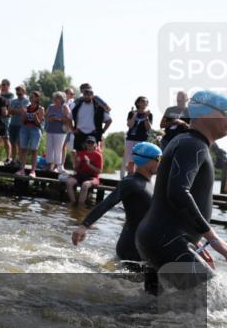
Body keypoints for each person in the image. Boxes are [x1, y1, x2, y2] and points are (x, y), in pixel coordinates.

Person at [136, 90, 227, 291]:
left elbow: (171, 201)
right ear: (206, 114)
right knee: (214, 298)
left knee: (150, 312)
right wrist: (214, 239)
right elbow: (178, 191)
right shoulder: (193, 145)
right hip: (168, 241)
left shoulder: (186, 141)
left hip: (162, 238)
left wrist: (197, 240)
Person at [73, 142, 161, 265]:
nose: (160, 162)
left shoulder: (150, 184)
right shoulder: (131, 182)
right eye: (158, 158)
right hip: (131, 248)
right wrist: (84, 226)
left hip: (144, 247)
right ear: (146, 160)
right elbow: (107, 203)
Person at [65, 136, 104, 206]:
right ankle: (73, 202)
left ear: (95, 144)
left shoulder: (98, 155)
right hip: (80, 175)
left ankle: (80, 205)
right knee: (68, 182)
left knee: (85, 185)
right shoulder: (81, 153)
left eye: (92, 143)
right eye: (88, 142)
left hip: (93, 177)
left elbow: (99, 171)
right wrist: (75, 160)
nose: (90, 144)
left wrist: (89, 164)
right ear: (85, 144)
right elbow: (75, 169)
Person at [15, 90, 45, 177]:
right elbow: (22, 121)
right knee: (23, 149)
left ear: (37, 98)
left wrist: (35, 116)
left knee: (34, 150)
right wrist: (24, 114)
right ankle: (22, 170)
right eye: (30, 96)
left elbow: (38, 123)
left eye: (33, 96)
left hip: (35, 130)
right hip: (24, 129)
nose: (31, 97)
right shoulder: (26, 107)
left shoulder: (41, 109)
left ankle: (33, 171)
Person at [123, 96, 153, 177]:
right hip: (130, 139)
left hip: (142, 140)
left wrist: (146, 117)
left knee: (140, 160)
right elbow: (130, 125)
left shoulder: (149, 114)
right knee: (131, 160)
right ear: (138, 103)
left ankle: (138, 177)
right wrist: (134, 115)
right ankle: (129, 177)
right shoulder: (131, 113)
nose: (145, 103)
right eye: (143, 101)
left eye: (146, 102)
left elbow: (148, 128)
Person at [44, 91, 72, 172]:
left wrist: (58, 119)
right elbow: (45, 116)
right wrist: (49, 118)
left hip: (60, 132)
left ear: (62, 99)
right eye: (55, 98)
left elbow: (69, 119)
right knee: (49, 148)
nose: (56, 99)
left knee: (58, 149)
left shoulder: (65, 107)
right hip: (50, 130)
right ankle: (49, 166)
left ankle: (57, 167)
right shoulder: (50, 106)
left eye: (58, 98)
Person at [6, 85, 30, 165]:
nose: (18, 92)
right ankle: (13, 160)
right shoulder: (13, 101)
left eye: (20, 91)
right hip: (12, 124)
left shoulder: (26, 101)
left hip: (21, 125)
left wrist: (14, 110)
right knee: (13, 143)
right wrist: (16, 110)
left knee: (20, 143)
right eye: (17, 91)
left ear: (24, 91)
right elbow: (9, 112)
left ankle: (20, 161)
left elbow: (23, 111)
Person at [0, 79, 15, 163]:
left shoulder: (10, 95)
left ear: (8, 86)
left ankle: (8, 157)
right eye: (1, 84)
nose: (2, 86)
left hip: (6, 118)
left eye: (4, 85)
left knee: (6, 138)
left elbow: (8, 103)